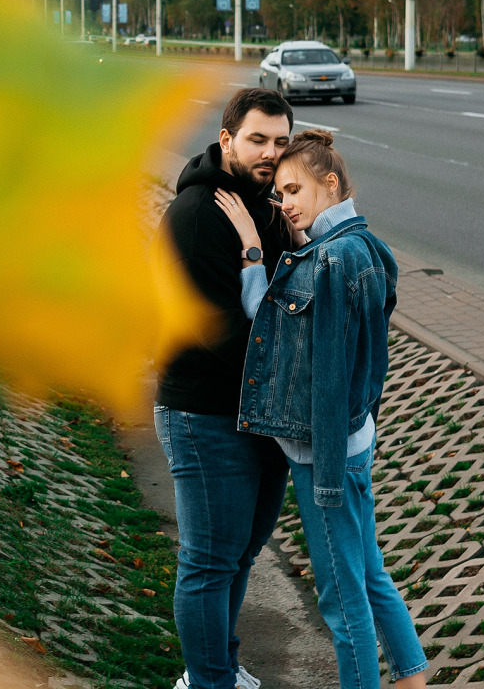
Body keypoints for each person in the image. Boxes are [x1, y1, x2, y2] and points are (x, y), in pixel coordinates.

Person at [216, 130, 426, 689]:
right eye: (279, 193)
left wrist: (253, 253)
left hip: (324, 455)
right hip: (355, 441)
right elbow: (369, 364)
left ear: (329, 184)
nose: (284, 203)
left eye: (293, 189)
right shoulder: (369, 247)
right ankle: (412, 679)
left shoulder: (331, 259)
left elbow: (321, 369)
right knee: (370, 574)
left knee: (341, 598)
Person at [156, 88, 298, 689]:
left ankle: (219, 667)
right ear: (226, 140)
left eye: (280, 142)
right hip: (207, 413)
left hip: (261, 413)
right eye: (257, 140)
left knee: (239, 555)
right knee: (209, 562)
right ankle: (208, 681)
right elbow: (225, 331)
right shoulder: (196, 216)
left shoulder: (269, 205)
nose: (270, 153)